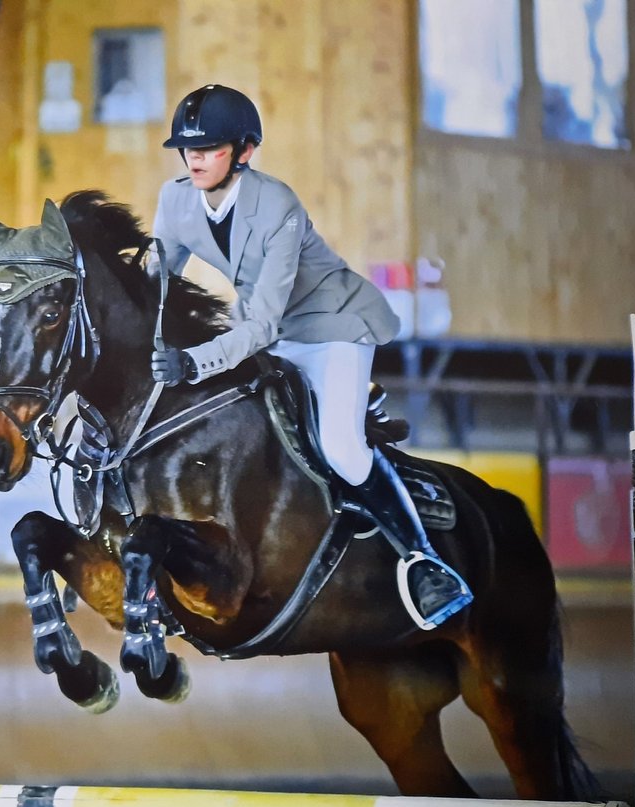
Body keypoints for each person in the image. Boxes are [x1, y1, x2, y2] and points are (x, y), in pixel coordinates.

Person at [148, 84, 472, 631]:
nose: (195, 158)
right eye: (188, 148)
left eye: (211, 148)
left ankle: (424, 561)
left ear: (245, 151)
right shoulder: (175, 201)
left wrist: (193, 361)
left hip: (332, 328)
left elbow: (263, 322)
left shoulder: (277, 205)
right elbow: (156, 283)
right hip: (265, 334)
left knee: (342, 449)